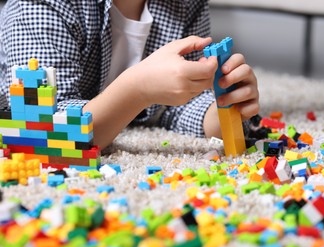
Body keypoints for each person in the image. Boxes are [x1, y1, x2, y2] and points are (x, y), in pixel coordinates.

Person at [0, 0, 259, 149]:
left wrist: (220, 110)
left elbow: (177, 104)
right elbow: (43, 132)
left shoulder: (187, 5)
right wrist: (138, 89)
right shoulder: (40, 5)